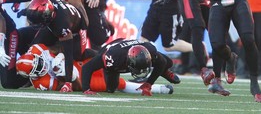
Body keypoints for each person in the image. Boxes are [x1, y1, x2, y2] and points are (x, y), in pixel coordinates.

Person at [16, 43, 173, 94]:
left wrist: (62, 56)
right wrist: (69, 78)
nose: (43, 67)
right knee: (115, 85)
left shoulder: (38, 49)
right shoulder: (41, 83)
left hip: (79, 62)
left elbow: (59, 46)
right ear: (30, 76)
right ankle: (160, 88)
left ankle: (157, 76)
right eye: (38, 69)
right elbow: (72, 88)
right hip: (78, 77)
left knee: (94, 56)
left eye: (40, 62)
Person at [82, 38, 180, 96]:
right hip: (113, 52)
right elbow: (87, 67)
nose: (141, 71)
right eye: (137, 68)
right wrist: (86, 89)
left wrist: (148, 84)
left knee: (168, 63)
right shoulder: (112, 59)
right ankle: (163, 71)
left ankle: (165, 72)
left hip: (133, 48)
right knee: (111, 89)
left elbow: (161, 62)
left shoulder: (149, 49)